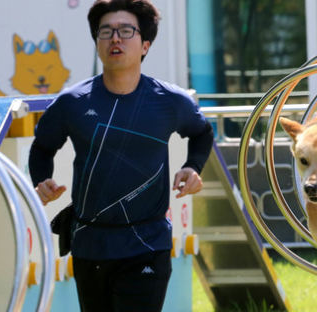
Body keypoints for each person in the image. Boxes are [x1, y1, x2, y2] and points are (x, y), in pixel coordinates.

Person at [28, 0, 214, 311]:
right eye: (106, 31)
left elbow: (202, 132)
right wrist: (42, 180)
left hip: (148, 242)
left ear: (145, 44)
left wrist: (193, 167)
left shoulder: (170, 101)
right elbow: (42, 147)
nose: (115, 38)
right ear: (97, 43)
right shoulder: (71, 103)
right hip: (90, 243)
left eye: (126, 31)